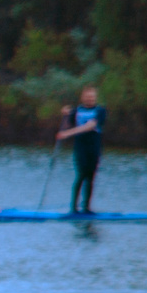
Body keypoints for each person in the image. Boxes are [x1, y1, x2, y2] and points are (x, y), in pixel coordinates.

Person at [58, 85, 105, 214]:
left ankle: (86, 208)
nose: (90, 99)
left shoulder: (100, 111)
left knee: (91, 176)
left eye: (92, 97)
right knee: (81, 174)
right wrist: (65, 115)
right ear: (83, 97)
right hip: (80, 149)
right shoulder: (76, 111)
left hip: (94, 148)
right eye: (88, 97)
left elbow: (90, 126)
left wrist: (68, 134)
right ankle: (73, 208)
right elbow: (68, 123)